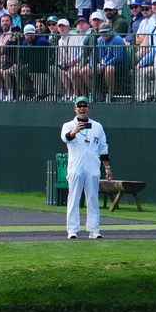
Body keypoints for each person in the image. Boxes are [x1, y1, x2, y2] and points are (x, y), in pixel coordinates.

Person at [60, 96, 112, 239]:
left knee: (93, 199)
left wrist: (107, 168)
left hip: (93, 168)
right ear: (75, 108)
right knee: (74, 198)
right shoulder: (68, 125)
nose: (82, 108)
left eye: (85, 106)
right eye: (79, 106)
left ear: (88, 108)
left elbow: (103, 148)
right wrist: (74, 131)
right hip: (76, 168)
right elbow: (66, 138)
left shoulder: (97, 126)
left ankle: (94, 230)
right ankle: (72, 230)